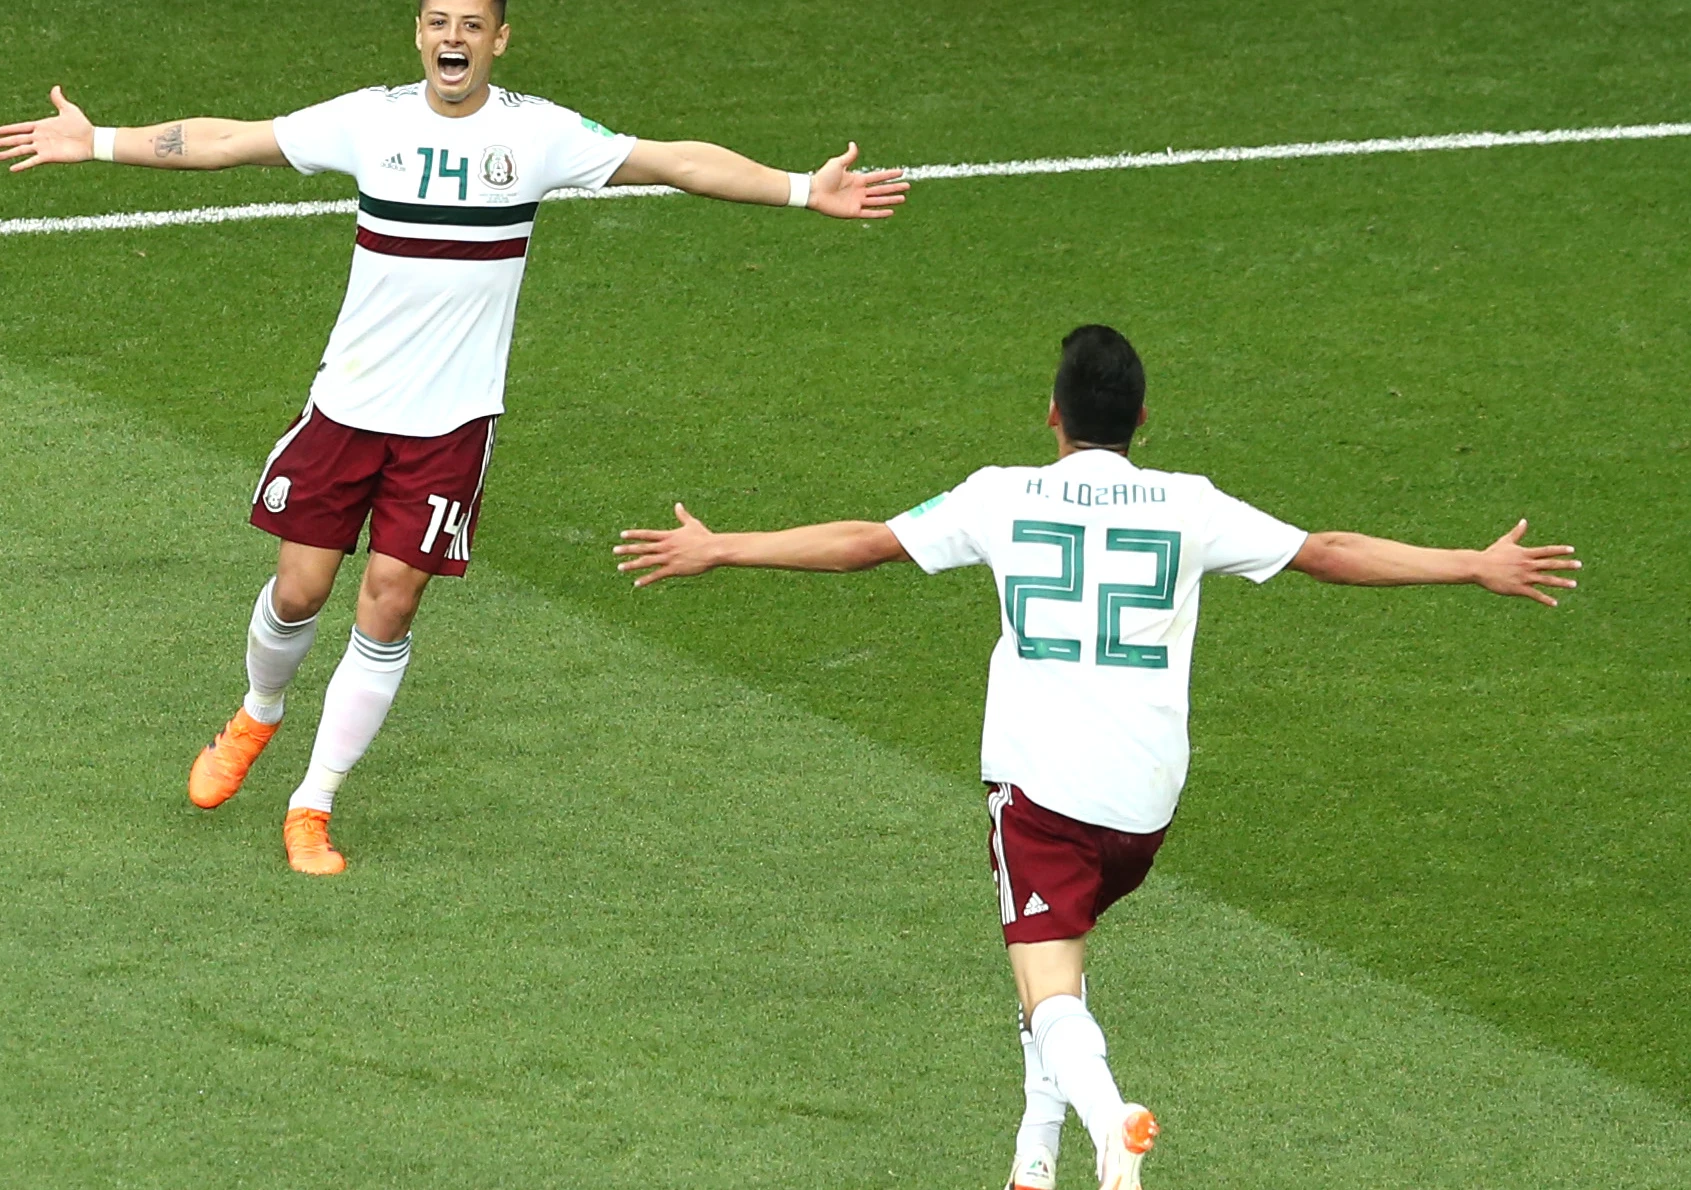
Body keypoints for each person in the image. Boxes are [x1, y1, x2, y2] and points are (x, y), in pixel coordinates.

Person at [612, 324, 1579, 1190]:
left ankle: (1108, 1121)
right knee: (1049, 959)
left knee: (1049, 990)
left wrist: (724, 547)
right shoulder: (1188, 504)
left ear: (1052, 415)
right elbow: (1326, 548)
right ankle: (1033, 1154)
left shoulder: (1000, 497)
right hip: (1146, 806)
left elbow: (866, 543)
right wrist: (1471, 563)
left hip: (1043, 793)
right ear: (1143, 419)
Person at [0, 0, 908, 875]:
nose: (453, 37)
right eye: (438, 22)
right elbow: (230, 139)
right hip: (347, 409)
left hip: (450, 427)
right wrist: (97, 141)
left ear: (501, 40)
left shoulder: (539, 135)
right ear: (418, 35)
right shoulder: (370, 121)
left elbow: (674, 161)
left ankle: (312, 804)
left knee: (387, 603)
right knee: (299, 590)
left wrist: (799, 191)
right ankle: (256, 713)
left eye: (472, 23)